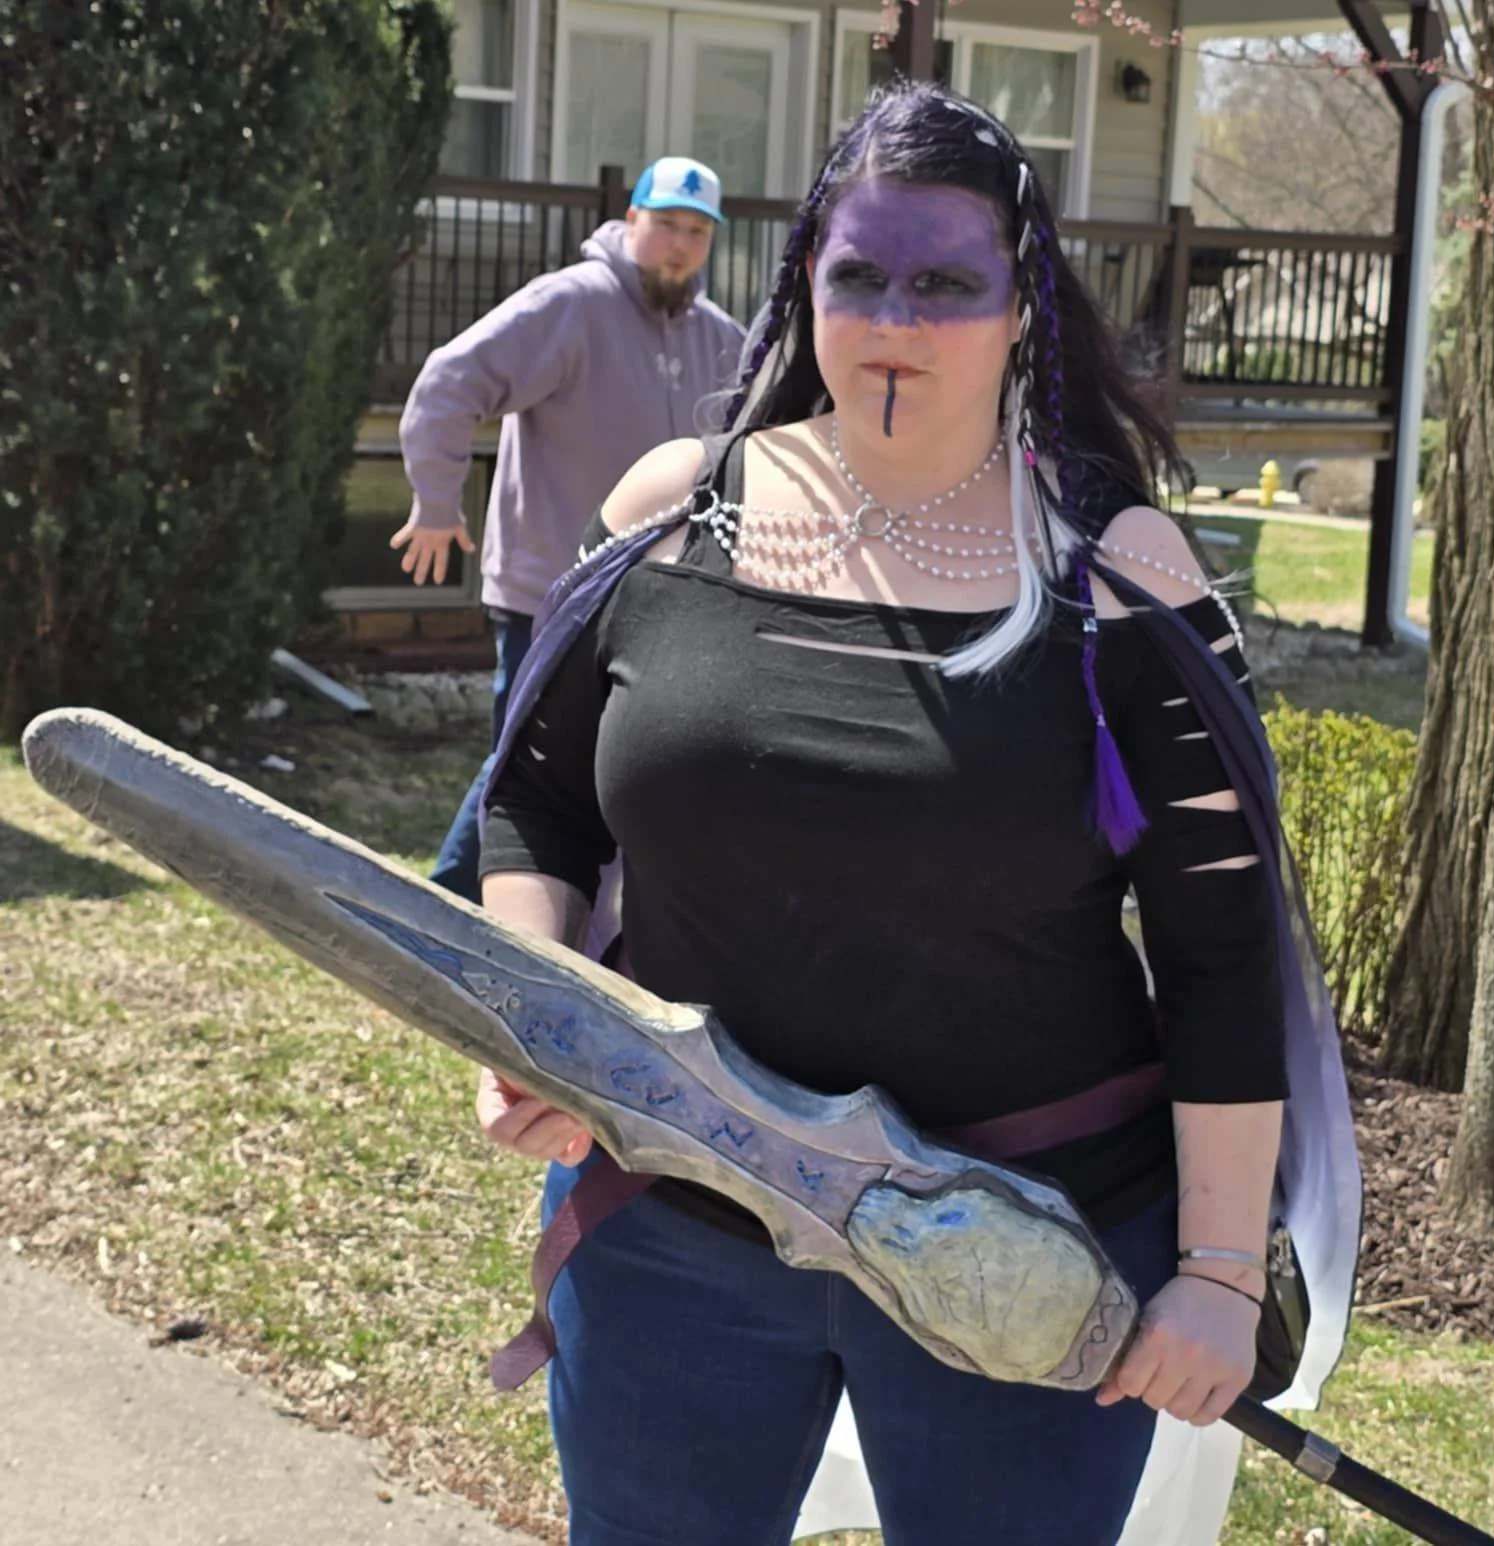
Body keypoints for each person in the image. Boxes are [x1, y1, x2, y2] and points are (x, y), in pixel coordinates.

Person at [470, 83, 1359, 1546]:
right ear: (805, 286)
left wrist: (1213, 1269)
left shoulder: (1118, 578)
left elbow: (1219, 949)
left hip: (1028, 1257)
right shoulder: (669, 515)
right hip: (680, 1230)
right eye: (859, 275)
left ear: (1022, 308)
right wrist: (541, 1021)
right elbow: (539, 807)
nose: (897, 316)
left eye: (947, 282)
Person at [391, 156, 746, 899]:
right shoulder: (571, 306)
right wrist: (434, 504)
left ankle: (572, 932)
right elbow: (449, 382)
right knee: (528, 769)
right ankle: (450, 909)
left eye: (697, 231)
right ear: (630, 223)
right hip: (549, 591)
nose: (679, 245)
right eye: (666, 226)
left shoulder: (720, 339)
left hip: (660, 605)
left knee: (618, 776)